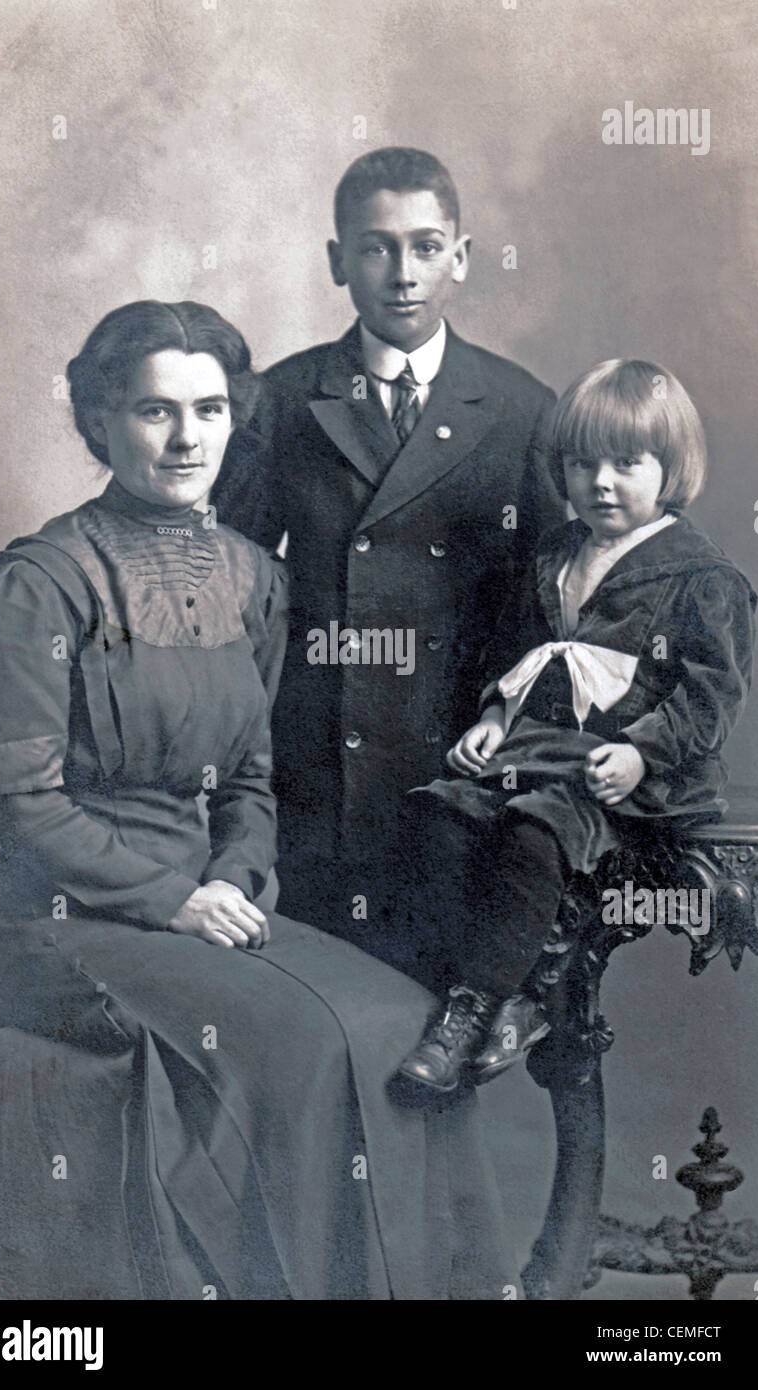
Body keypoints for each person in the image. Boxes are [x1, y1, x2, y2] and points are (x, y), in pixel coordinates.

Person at [0, 300, 517, 1299]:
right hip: (64, 924)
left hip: (213, 902)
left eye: (209, 410)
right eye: (154, 412)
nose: (186, 439)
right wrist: (171, 900)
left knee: (398, 1018)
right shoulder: (34, 588)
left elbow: (251, 776)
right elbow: (18, 804)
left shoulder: (256, 580)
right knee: (300, 1042)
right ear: (100, 422)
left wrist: (230, 877)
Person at [213, 147, 562, 935]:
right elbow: (230, 575)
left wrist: (509, 731)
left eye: (426, 247)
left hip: (463, 761)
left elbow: (547, 608)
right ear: (338, 261)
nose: (403, 273)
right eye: (375, 248)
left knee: (443, 1013)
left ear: (461, 258)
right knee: (335, 1002)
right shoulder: (284, 398)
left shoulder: (520, 406)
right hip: (324, 758)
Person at [394, 359, 757, 1094]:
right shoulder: (554, 558)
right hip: (542, 749)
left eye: (626, 464)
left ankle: (480, 1009)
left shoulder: (699, 578)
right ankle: (475, 989)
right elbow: (515, 658)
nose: (600, 482)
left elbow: (710, 698)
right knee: (442, 811)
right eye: (581, 463)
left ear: (670, 468)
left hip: (634, 772)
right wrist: (495, 719)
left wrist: (639, 754)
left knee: (536, 829)